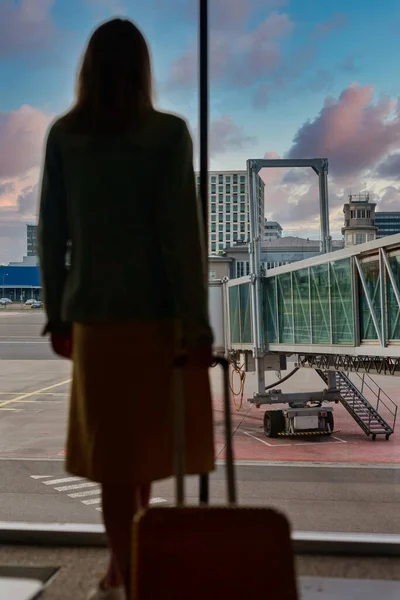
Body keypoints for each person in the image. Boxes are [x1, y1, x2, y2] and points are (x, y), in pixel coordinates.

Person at [38, 18, 215, 600]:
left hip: (95, 315)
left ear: (87, 68)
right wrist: (195, 322)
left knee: (115, 456)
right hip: (159, 317)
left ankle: (125, 568)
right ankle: (131, 570)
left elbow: (54, 235)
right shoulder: (168, 135)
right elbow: (181, 238)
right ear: (143, 68)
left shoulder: (65, 136)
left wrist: (57, 315)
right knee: (141, 452)